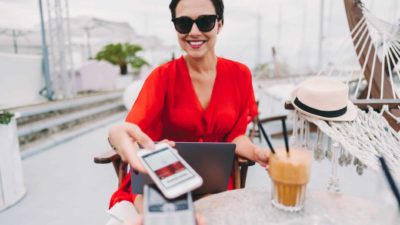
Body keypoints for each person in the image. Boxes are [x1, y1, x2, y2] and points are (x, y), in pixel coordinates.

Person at [107, 0, 270, 223]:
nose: (194, 32)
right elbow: (129, 132)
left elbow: (236, 136)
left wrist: (255, 152)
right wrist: (117, 135)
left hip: (214, 180)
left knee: (212, 213)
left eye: (205, 22)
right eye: (183, 24)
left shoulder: (240, 75)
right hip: (160, 178)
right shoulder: (162, 77)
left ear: (219, 24)